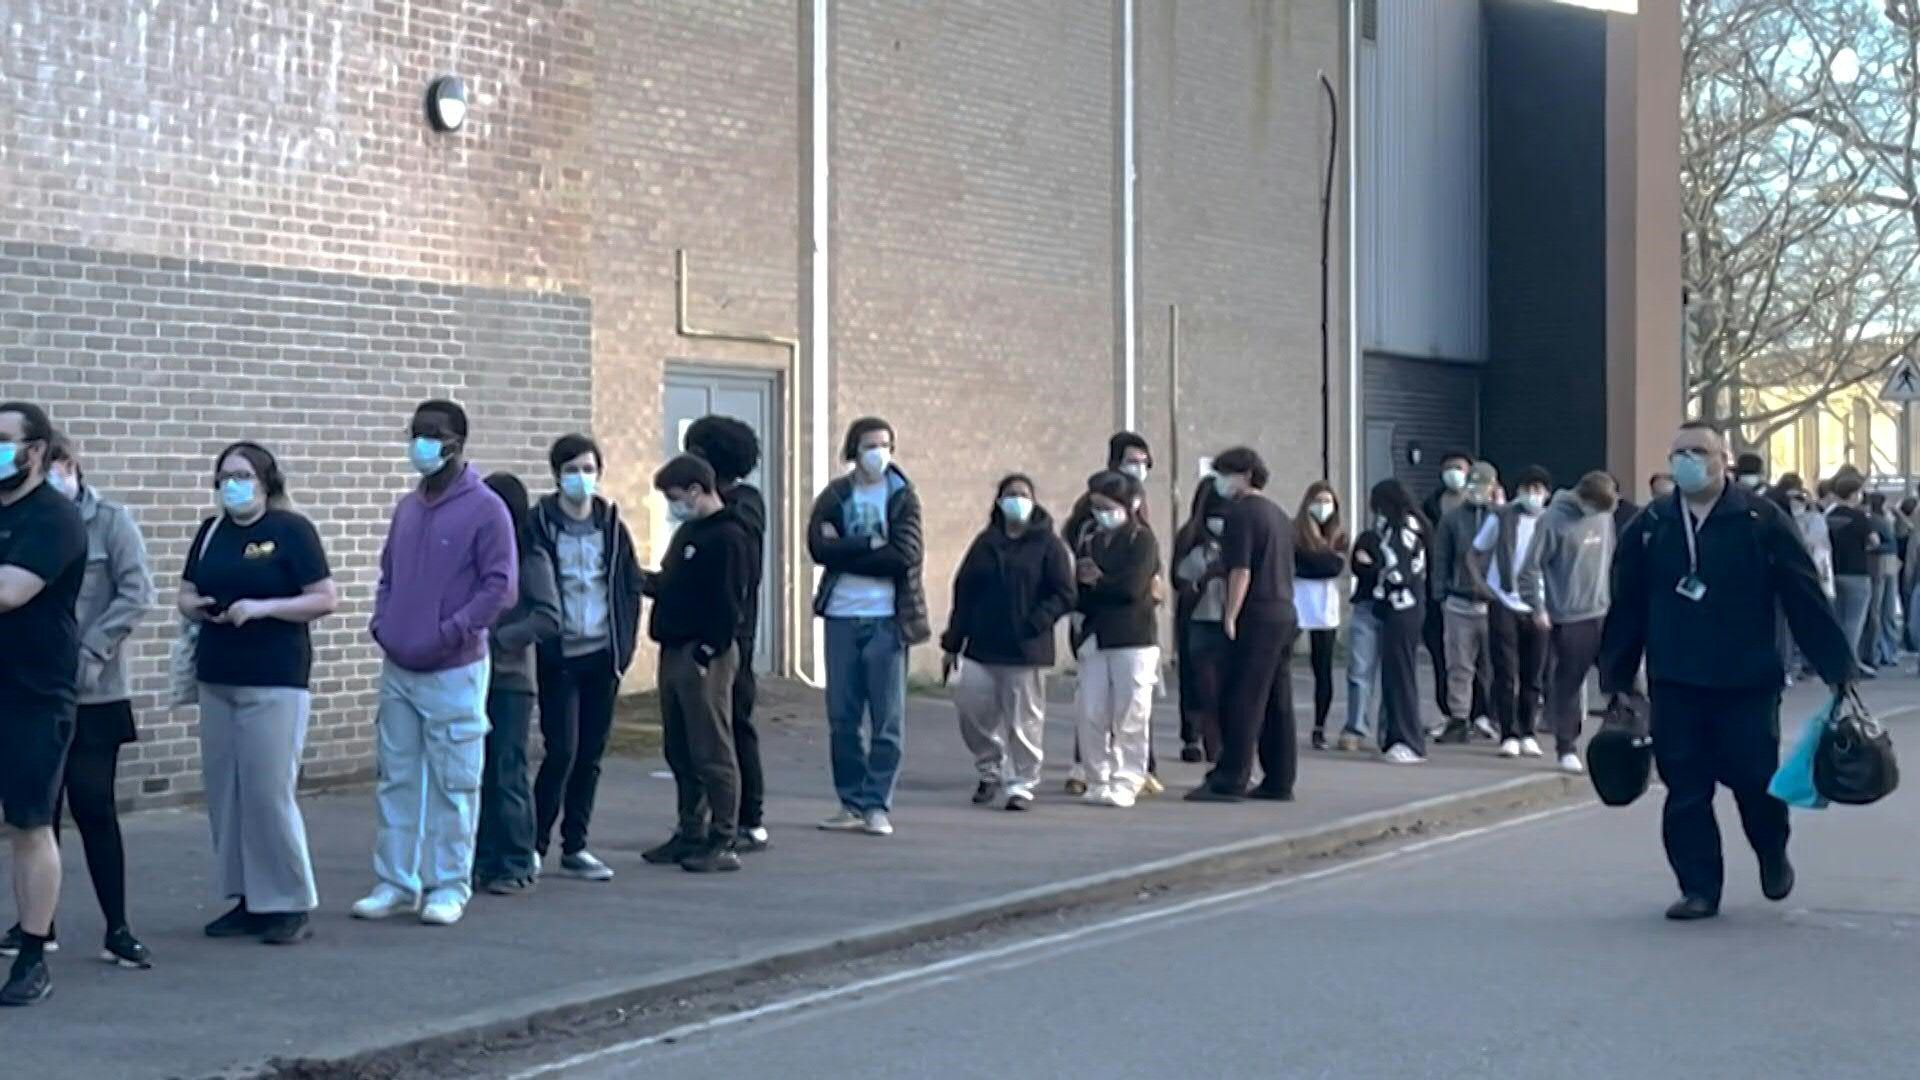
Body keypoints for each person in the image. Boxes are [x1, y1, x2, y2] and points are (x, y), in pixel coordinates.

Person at [1601, 421, 1855, 921]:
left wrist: (1835, 665)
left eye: (1699, 451)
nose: (1688, 461)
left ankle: (1771, 850)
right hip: (1676, 679)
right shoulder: (1652, 525)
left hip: (1747, 680)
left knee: (1755, 781)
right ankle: (1699, 887)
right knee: (1686, 789)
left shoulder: (1760, 519)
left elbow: (1802, 594)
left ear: (1724, 460)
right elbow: (1627, 604)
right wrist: (1617, 676)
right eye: (1679, 453)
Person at [355, 401, 517, 928]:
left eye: (433, 434)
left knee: (455, 781)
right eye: (416, 433)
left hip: (454, 668)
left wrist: (453, 631)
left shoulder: (486, 508)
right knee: (397, 778)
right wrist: (383, 622)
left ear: (457, 442)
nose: (421, 443)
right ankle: (396, 881)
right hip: (400, 665)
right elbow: (388, 575)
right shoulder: (408, 507)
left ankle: (449, 884)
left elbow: (501, 586)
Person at [179, 441, 338, 947]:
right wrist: (197, 606)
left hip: (274, 677)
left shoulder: (291, 531)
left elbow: (324, 598)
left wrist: (263, 607)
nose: (233, 484)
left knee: (269, 794)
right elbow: (184, 591)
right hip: (218, 674)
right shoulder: (210, 533)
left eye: (243, 475)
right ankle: (247, 897)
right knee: (227, 794)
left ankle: (289, 901)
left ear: (266, 481)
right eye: (225, 476)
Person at [6, 437, 156, 968]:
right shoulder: (20, 519)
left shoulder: (105, 520)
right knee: (35, 810)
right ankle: (35, 924)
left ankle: (117, 926)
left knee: (92, 806)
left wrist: (92, 649)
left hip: (93, 685)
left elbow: (136, 591)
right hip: (38, 682)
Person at [0, 403, 87, 1005]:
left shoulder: (53, 519)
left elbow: (9, 591)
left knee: (29, 822)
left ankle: (33, 954)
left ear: (34, 451)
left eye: (2, 440)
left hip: (33, 692)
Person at [808, 417, 928, 838]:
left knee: (887, 718)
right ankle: (850, 802)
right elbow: (818, 547)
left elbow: (903, 555)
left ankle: (877, 803)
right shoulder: (837, 494)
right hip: (842, 614)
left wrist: (845, 550)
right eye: (870, 445)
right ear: (853, 450)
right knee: (842, 716)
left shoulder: (902, 497)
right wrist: (864, 545)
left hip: (887, 618)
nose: (878, 453)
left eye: (885, 444)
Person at [533, 434, 643, 879]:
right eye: (572, 469)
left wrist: (625, 645)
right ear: (557, 474)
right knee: (561, 750)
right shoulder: (539, 523)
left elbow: (628, 584)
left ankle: (576, 845)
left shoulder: (612, 525)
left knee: (590, 755)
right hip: (559, 657)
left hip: (602, 654)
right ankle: (534, 844)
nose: (581, 478)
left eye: (588, 469)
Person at [642, 455, 755, 873]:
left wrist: (709, 650)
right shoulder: (690, 532)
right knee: (680, 746)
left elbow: (730, 603)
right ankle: (690, 829)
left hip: (704, 651)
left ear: (695, 490)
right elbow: (672, 585)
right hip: (675, 645)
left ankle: (723, 836)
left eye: (674, 497)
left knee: (711, 745)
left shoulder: (728, 537)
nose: (672, 505)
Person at [940, 475, 1075, 811]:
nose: (1017, 501)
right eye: (1010, 495)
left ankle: (1022, 783)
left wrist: (1037, 622)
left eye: (1023, 495)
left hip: (1024, 648)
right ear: (999, 502)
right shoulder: (986, 544)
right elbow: (965, 593)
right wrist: (953, 641)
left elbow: (1064, 593)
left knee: (1023, 720)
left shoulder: (1048, 545)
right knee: (972, 710)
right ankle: (990, 767)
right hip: (982, 645)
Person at [1187, 448, 1298, 802]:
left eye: (1225, 474)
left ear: (1246, 474)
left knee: (1243, 697)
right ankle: (1280, 777)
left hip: (1256, 613)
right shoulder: (1278, 514)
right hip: (1283, 610)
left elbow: (1241, 570)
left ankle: (1231, 776)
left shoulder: (1242, 513)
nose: (1220, 482)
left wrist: (1230, 615)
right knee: (1277, 699)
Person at [684, 416, 771, 851]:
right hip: (705, 628)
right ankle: (699, 819)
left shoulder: (742, 507)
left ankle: (748, 817)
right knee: (704, 729)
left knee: (734, 721)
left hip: (733, 632)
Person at [473, 473, 560, 896]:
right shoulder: (480, 556)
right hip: (474, 676)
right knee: (479, 771)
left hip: (510, 680)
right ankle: (485, 857)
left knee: (508, 771)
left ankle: (517, 859)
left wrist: (498, 640)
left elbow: (547, 616)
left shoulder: (530, 558)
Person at [1061, 431, 1160, 793]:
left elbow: (1132, 588)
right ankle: (1096, 775)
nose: (1102, 515)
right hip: (1095, 634)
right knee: (1092, 711)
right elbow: (1080, 588)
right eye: (1097, 507)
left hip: (1133, 635)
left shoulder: (1141, 539)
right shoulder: (1090, 538)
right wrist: (1086, 587)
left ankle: (1128, 777)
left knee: (1131, 711)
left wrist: (1099, 581)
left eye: (1108, 507)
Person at [1529, 472, 1617, 773]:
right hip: (1569, 613)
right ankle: (1566, 745)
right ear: (1583, 499)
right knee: (1569, 680)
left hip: (1604, 607)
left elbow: (1611, 555)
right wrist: (1538, 608)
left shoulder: (1605, 516)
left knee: (1625, 679)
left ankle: (1626, 739)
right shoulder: (1553, 521)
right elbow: (1530, 568)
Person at [1473, 465, 1552, 759]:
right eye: (1527, 489)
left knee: (1534, 672)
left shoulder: (1550, 523)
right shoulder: (1502, 517)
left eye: (1538, 490)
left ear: (1547, 494)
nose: (1532, 495)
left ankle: (1528, 730)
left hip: (1539, 605)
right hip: (1504, 600)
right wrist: (1482, 585)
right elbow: (1475, 551)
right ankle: (1508, 732)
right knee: (1506, 670)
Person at [1354, 480, 1429, 763]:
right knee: (1396, 675)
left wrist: (1374, 570)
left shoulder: (1403, 531)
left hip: (1402, 609)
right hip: (1400, 609)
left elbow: (1399, 573)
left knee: (1400, 676)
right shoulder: (1402, 529)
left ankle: (1407, 739)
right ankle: (1397, 736)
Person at [1431, 461, 1500, 744]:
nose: (1476, 491)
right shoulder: (1452, 519)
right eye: (1472, 484)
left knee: (1495, 665)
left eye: (1482, 485)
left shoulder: (1501, 517)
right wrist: (1440, 594)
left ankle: (1490, 715)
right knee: (1459, 665)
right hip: (1459, 600)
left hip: (1495, 604)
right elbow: (1441, 558)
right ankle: (1459, 717)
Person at [1172, 479, 1231, 763]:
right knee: (1195, 679)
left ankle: (1217, 738)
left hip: (1226, 615)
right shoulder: (1190, 536)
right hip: (1196, 616)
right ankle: (1192, 734)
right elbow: (1178, 578)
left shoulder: (1236, 535)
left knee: (1222, 682)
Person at [1420, 451, 1476, 726]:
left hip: (1475, 594)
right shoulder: (1430, 506)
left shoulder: (1480, 508)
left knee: (1478, 661)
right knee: (1444, 657)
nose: (1453, 473)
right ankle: (1451, 711)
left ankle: (1481, 712)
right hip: (1440, 592)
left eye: (1459, 467)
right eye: (1448, 468)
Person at [1294, 482, 1348, 751]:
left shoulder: (1339, 536)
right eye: (1318, 500)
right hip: (1297, 602)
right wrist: (1319, 562)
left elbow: (1334, 567)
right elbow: (1300, 564)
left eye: (1328, 501)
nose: (1323, 506)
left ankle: (1319, 727)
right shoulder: (1295, 532)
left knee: (1322, 668)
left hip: (1325, 607)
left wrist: (1316, 562)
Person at [1824, 470, 1876, 677]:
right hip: (1857, 573)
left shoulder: (1829, 516)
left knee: (1837, 619)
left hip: (1834, 572)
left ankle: (1836, 660)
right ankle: (1850, 662)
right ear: (1854, 494)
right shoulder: (1860, 517)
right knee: (1854, 621)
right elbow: (1874, 541)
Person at [1868, 493, 1903, 668]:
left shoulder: (1872, 520)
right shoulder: (1887, 518)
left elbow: (1890, 543)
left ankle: (1877, 651)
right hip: (1891, 566)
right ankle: (1890, 651)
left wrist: (1872, 548)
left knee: (1875, 611)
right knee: (1888, 611)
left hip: (1876, 567)